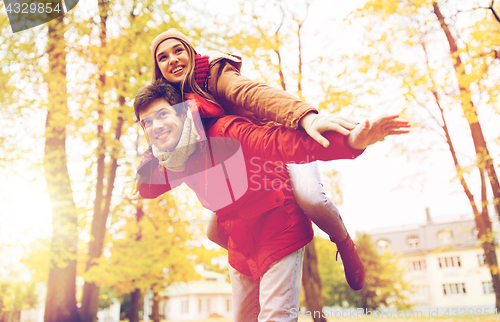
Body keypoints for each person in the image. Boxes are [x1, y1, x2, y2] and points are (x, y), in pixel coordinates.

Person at [133, 79, 410, 322]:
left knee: (310, 199)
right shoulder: (173, 161)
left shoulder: (225, 127)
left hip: (279, 224)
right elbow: (149, 187)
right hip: (241, 242)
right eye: (147, 122)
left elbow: (284, 142)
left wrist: (351, 141)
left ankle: (343, 241)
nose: (155, 126)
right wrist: (143, 170)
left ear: (183, 112)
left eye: (162, 114)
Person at [149, 28, 370, 290]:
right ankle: (258, 261)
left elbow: (251, 92)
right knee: (214, 232)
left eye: (178, 51)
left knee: (310, 198)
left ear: (191, 53)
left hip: (278, 141)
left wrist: (305, 116)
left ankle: (343, 242)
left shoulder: (215, 75)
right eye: (163, 57)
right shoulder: (170, 105)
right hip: (251, 173)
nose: (172, 59)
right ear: (158, 67)